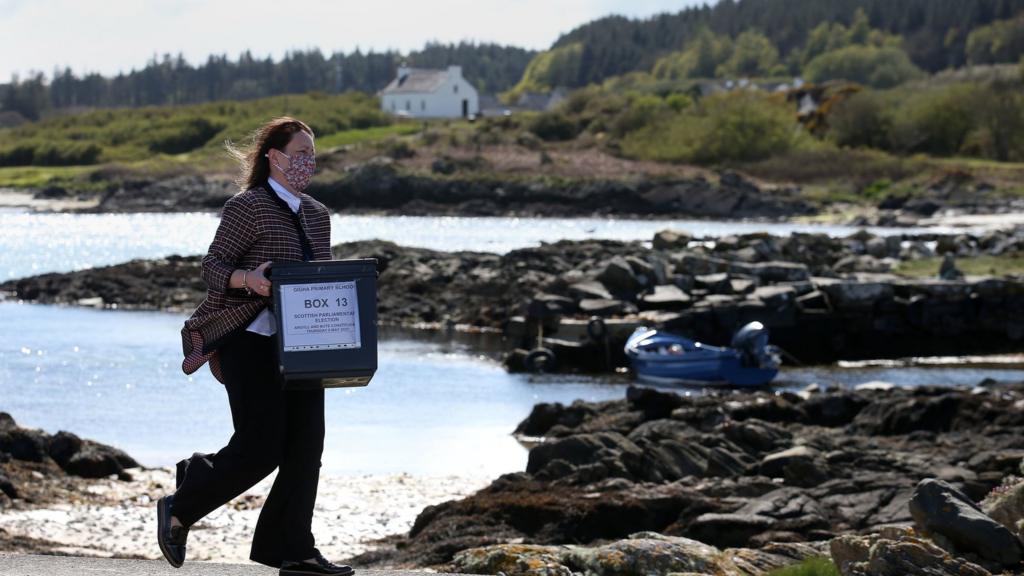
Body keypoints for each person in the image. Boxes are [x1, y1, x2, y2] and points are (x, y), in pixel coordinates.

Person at [158, 116, 353, 576]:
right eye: (299, 154)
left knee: (307, 449)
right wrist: (249, 280)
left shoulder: (318, 215)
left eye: (312, 155)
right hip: (250, 342)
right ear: (273, 156)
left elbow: (319, 281)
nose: (307, 163)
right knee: (262, 446)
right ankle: (182, 504)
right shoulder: (247, 207)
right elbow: (212, 268)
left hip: (305, 348)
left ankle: (295, 549)